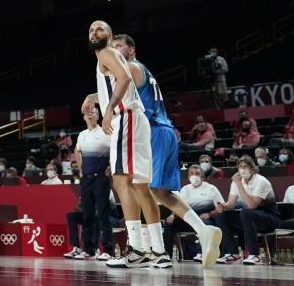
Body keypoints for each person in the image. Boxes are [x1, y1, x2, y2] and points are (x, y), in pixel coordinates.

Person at [112, 33, 222, 267]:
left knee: (139, 187)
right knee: (160, 192)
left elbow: (115, 94)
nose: (114, 50)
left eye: (118, 46)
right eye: (111, 47)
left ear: (131, 50)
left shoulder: (130, 67)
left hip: (151, 131)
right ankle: (203, 231)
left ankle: (147, 250)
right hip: (165, 131)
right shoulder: (140, 70)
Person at [80, 21, 158, 269]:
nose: (94, 33)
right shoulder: (108, 56)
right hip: (134, 117)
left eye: (99, 30)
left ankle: (137, 249)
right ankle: (156, 250)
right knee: (140, 186)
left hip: (126, 116)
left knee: (122, 181)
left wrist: (110, 108)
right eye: (91, 30)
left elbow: (124, 78)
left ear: (109, 35)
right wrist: (94, 98)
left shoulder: (106, 52)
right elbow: (117, 81)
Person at [65, 106, 113, 261]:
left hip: (101, 177)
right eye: (87, 113)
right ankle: (89, 250)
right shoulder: (82, 135)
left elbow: (115, 149)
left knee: (103, 214)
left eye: (92, 112)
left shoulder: (105, 131)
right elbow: (77, 150)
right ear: (84, 118)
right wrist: (80, 168)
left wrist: (112, 165)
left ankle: (107, 250)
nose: (89, 114)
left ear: (98, 117)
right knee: (87, 215)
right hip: (86, 178)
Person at [215, 155, 281, 265]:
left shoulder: (261, 181)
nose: (243, 169)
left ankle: (255, 255)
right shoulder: (236, 182)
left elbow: (251, 205)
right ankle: (233, 254)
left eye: (246, 166)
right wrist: (223, 206)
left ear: (253, 168)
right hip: (250, 217)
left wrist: (239, 184)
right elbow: (231, 204)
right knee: (222, 215)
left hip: (270, 218)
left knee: (246, 212)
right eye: (240, 167)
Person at [163, 164, 226, 261]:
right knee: (168, 223)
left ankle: (202, 253)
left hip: (205, 216)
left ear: (202, 177)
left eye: (197, 173)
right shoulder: (185, 189)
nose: (194, 176)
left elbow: (220, 208)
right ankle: (167, 254)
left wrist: (209, 214)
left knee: (204, 224)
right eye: (192, 174)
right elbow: (178, 206)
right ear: (188, 177)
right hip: (188, 217)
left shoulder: (211, 188)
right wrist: (172, 215)